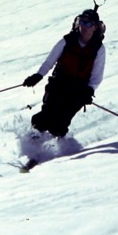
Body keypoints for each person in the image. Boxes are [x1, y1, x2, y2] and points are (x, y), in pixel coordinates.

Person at [23, 8, 106, 138]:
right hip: (59, 83)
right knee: (45, 118)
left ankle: (61, 150)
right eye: (82, 22)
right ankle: (32, 146)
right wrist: (38, 75)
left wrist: (89, 91)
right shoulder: (67, 41)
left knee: (59, 124)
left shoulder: (98, 49)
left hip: (78, 91)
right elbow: (49, 62)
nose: (84, 27)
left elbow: (97, 76)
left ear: (95, 27)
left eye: (89, 24)